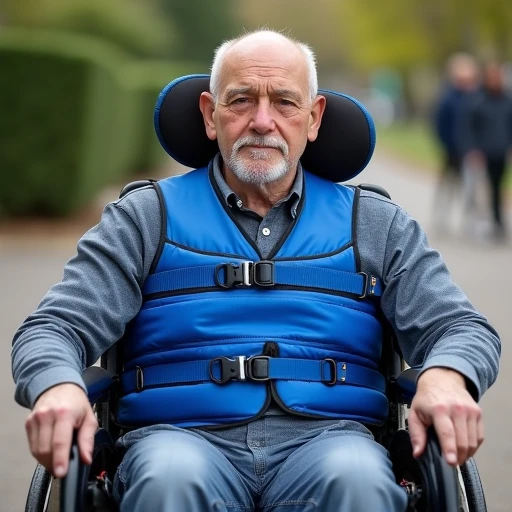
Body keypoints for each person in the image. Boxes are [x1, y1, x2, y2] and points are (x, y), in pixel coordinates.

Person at [12, 30, 500, 511]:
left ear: (313, 118)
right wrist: (57, 384)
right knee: (169, 482)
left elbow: (460, 327)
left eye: (285, 103)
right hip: (178, 441)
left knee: (359, 483)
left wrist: (447, 375)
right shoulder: (145, 218)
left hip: (332, 442)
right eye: (241, 100)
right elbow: (53, 327)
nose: (262, 122)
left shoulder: (375, 223)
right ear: (209, 115)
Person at [432, 53, 481, 235]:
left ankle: (471, 221)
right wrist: (447, 144)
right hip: (451, 151)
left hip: (470, 151)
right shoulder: (448, 98)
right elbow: (440, 124)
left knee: (471, 187)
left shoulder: (476, 97)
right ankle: (441, 217)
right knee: (448, 186)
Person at [468, 60, 512, 241]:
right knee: (485, 189)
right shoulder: (479, 101)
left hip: (501, 151)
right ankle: (487, 222)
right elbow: (472, 128)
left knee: (497, 188)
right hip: (484, 153)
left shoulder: (507, 101)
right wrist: (474, 150)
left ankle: (498, 221)